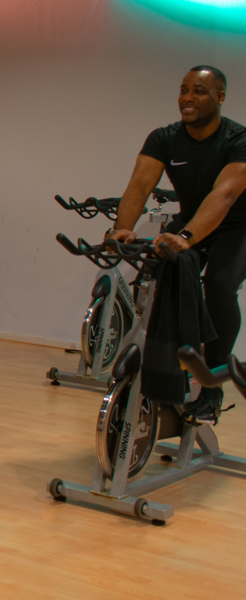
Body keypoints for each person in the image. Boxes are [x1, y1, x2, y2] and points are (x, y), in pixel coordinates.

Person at [106, 65, 246, 425]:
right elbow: (140, 184)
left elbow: (225, 194)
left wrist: (186, 238)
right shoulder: (164, 138)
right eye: (184, 89)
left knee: (219, 285)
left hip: (238, 227)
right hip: (192, 220)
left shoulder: (239, 140)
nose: (188, 98)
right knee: (157, 279)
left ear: (220, 97)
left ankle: (212, 387)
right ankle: (168, 367)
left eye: (199, 91)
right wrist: (124, 228)